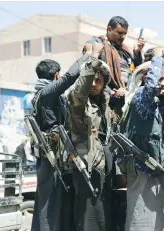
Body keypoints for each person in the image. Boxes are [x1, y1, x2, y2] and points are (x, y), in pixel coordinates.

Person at [30, 53, 91, 231]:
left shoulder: (44, 95)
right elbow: (70, 77)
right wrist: (89, 56)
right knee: (49, 206)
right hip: (51, 159)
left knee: (53, 204)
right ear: (56, 75)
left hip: (54, 159)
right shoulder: (47, 93)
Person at [121, 47, 164, 231]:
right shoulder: (141, 97)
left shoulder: (150, 101)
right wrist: (156, 58)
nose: (161, 84)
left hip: (152, 169)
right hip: (142, 170)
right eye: (159, 78)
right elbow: (153, 86)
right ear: (145, 78)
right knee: (143, 219)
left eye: (163, 79)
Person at [66, 42, 115, 231]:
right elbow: (80, 90)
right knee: (88, 219)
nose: (94, 84)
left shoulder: (105, 105)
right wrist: (93, 58)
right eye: (91, 79)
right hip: (86, 167)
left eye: (98, 80)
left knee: (103, 218)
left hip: (104, 169)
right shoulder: (78, 103)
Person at [83, 16, 145, 117]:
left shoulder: (125, 51)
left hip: (125, 100)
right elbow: (89, 73)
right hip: (105, 102)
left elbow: (135, 73)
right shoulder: (97, 45)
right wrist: (111, 92)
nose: (123, 37)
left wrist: (137, 52)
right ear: (109, 29)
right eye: (120, 33)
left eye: (125, 33)